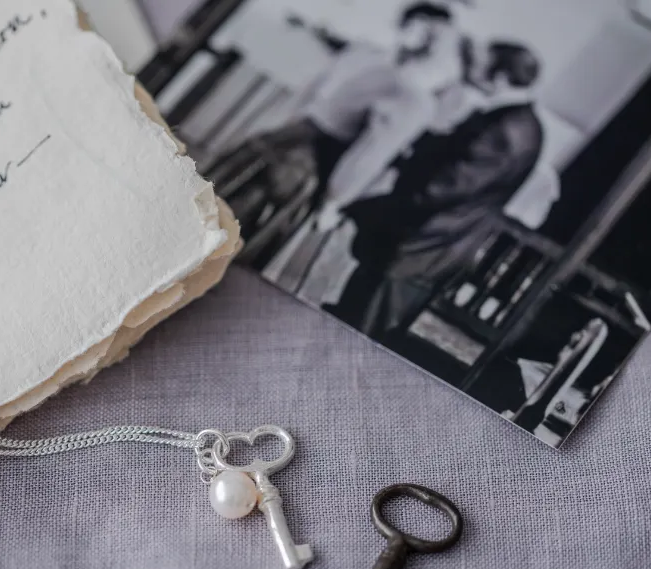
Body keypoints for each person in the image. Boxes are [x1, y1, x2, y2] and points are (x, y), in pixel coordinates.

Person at [204, 2, 463, 263]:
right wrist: (335, 200)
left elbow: (310, 95)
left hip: (282, 139)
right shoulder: (413, 97)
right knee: (239, 246)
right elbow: (370, 153)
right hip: (310, 164)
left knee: (214, 214)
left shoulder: (365, 56)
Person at [322, 40, 545, 340]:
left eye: (483, 69)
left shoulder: (503, 131)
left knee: (356, 336)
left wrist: (368, 205)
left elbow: (442, 188)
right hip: (435, 246)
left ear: (501, 78)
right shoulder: (525, 125)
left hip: (420, 244)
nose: (476, 75)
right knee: (358, 329)